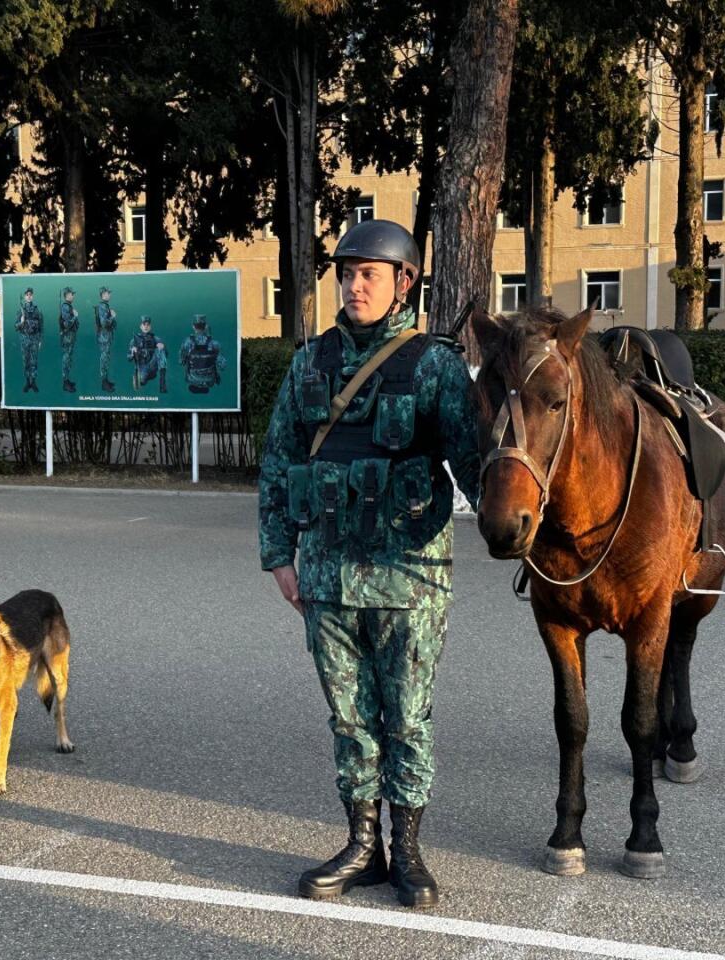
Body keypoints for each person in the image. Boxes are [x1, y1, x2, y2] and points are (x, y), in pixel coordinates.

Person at [257, 220, 481, 909]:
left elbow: (477, 466)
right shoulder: (310, 363)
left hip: (409, 578)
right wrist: (278, 555)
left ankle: (407, 852)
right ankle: (362, 846)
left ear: (403, 283)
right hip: (326, 575)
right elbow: (279, 459)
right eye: (347, 273)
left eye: (369, 275)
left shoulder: (435, 366)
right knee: (350, 721)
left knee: (407, 719)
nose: (354, 286)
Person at [179, 314, 224, 393]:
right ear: (206, 326)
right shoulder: (215, 343)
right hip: (210, 381)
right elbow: (222, 365)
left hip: (192, 380)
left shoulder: (186, 342)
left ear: (193, 326)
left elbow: (181, 362)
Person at [127, 315, 167, 392]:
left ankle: (162, 383)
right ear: (140, 326)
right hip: (142, 367)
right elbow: (128, 358)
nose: (146, 327)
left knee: (161, 350)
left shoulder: (155, 338)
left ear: (150, 327)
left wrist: (163, 346)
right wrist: (132, 352)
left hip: (152, 366)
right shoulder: (134, 340)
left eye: (148, 325)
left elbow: (166, 354)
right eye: (144, 325)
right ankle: (140, 377)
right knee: (142, 381)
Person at [15, 287, 44, 393]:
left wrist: (40, 340)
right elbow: (16, 326)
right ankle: (28, 382)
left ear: (33, 296)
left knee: (34, 361)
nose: (29, 296)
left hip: (35, 339)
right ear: (24, 296)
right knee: (26, 361)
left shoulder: (37, 309)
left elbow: (41, 325)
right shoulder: (21, 310)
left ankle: (34, 382)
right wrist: (21, 322)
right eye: (27, 294)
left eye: (30, 294)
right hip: (25, 339)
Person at [95, 286, 118, 392]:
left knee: (106, 358)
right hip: (104, 337)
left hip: (106, 337)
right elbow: (104, 323)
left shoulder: (105, 306)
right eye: (108, 293)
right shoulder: (103, 306)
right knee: (104, 359)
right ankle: (104, 383)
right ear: (103, 294)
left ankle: (106, 380)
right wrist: (112, 316)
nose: (110, 295)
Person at [60, 287, 80, 393]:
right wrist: (75, 317)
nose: (73, 296)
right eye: (72, 294)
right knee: (66, 359)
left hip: (70, 336)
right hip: (67, 337)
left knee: (69, 358)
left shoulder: (69, 306)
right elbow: (67, 324)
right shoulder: (65, 307)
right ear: (67, 295)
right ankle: (65, 383)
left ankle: (67, 380)